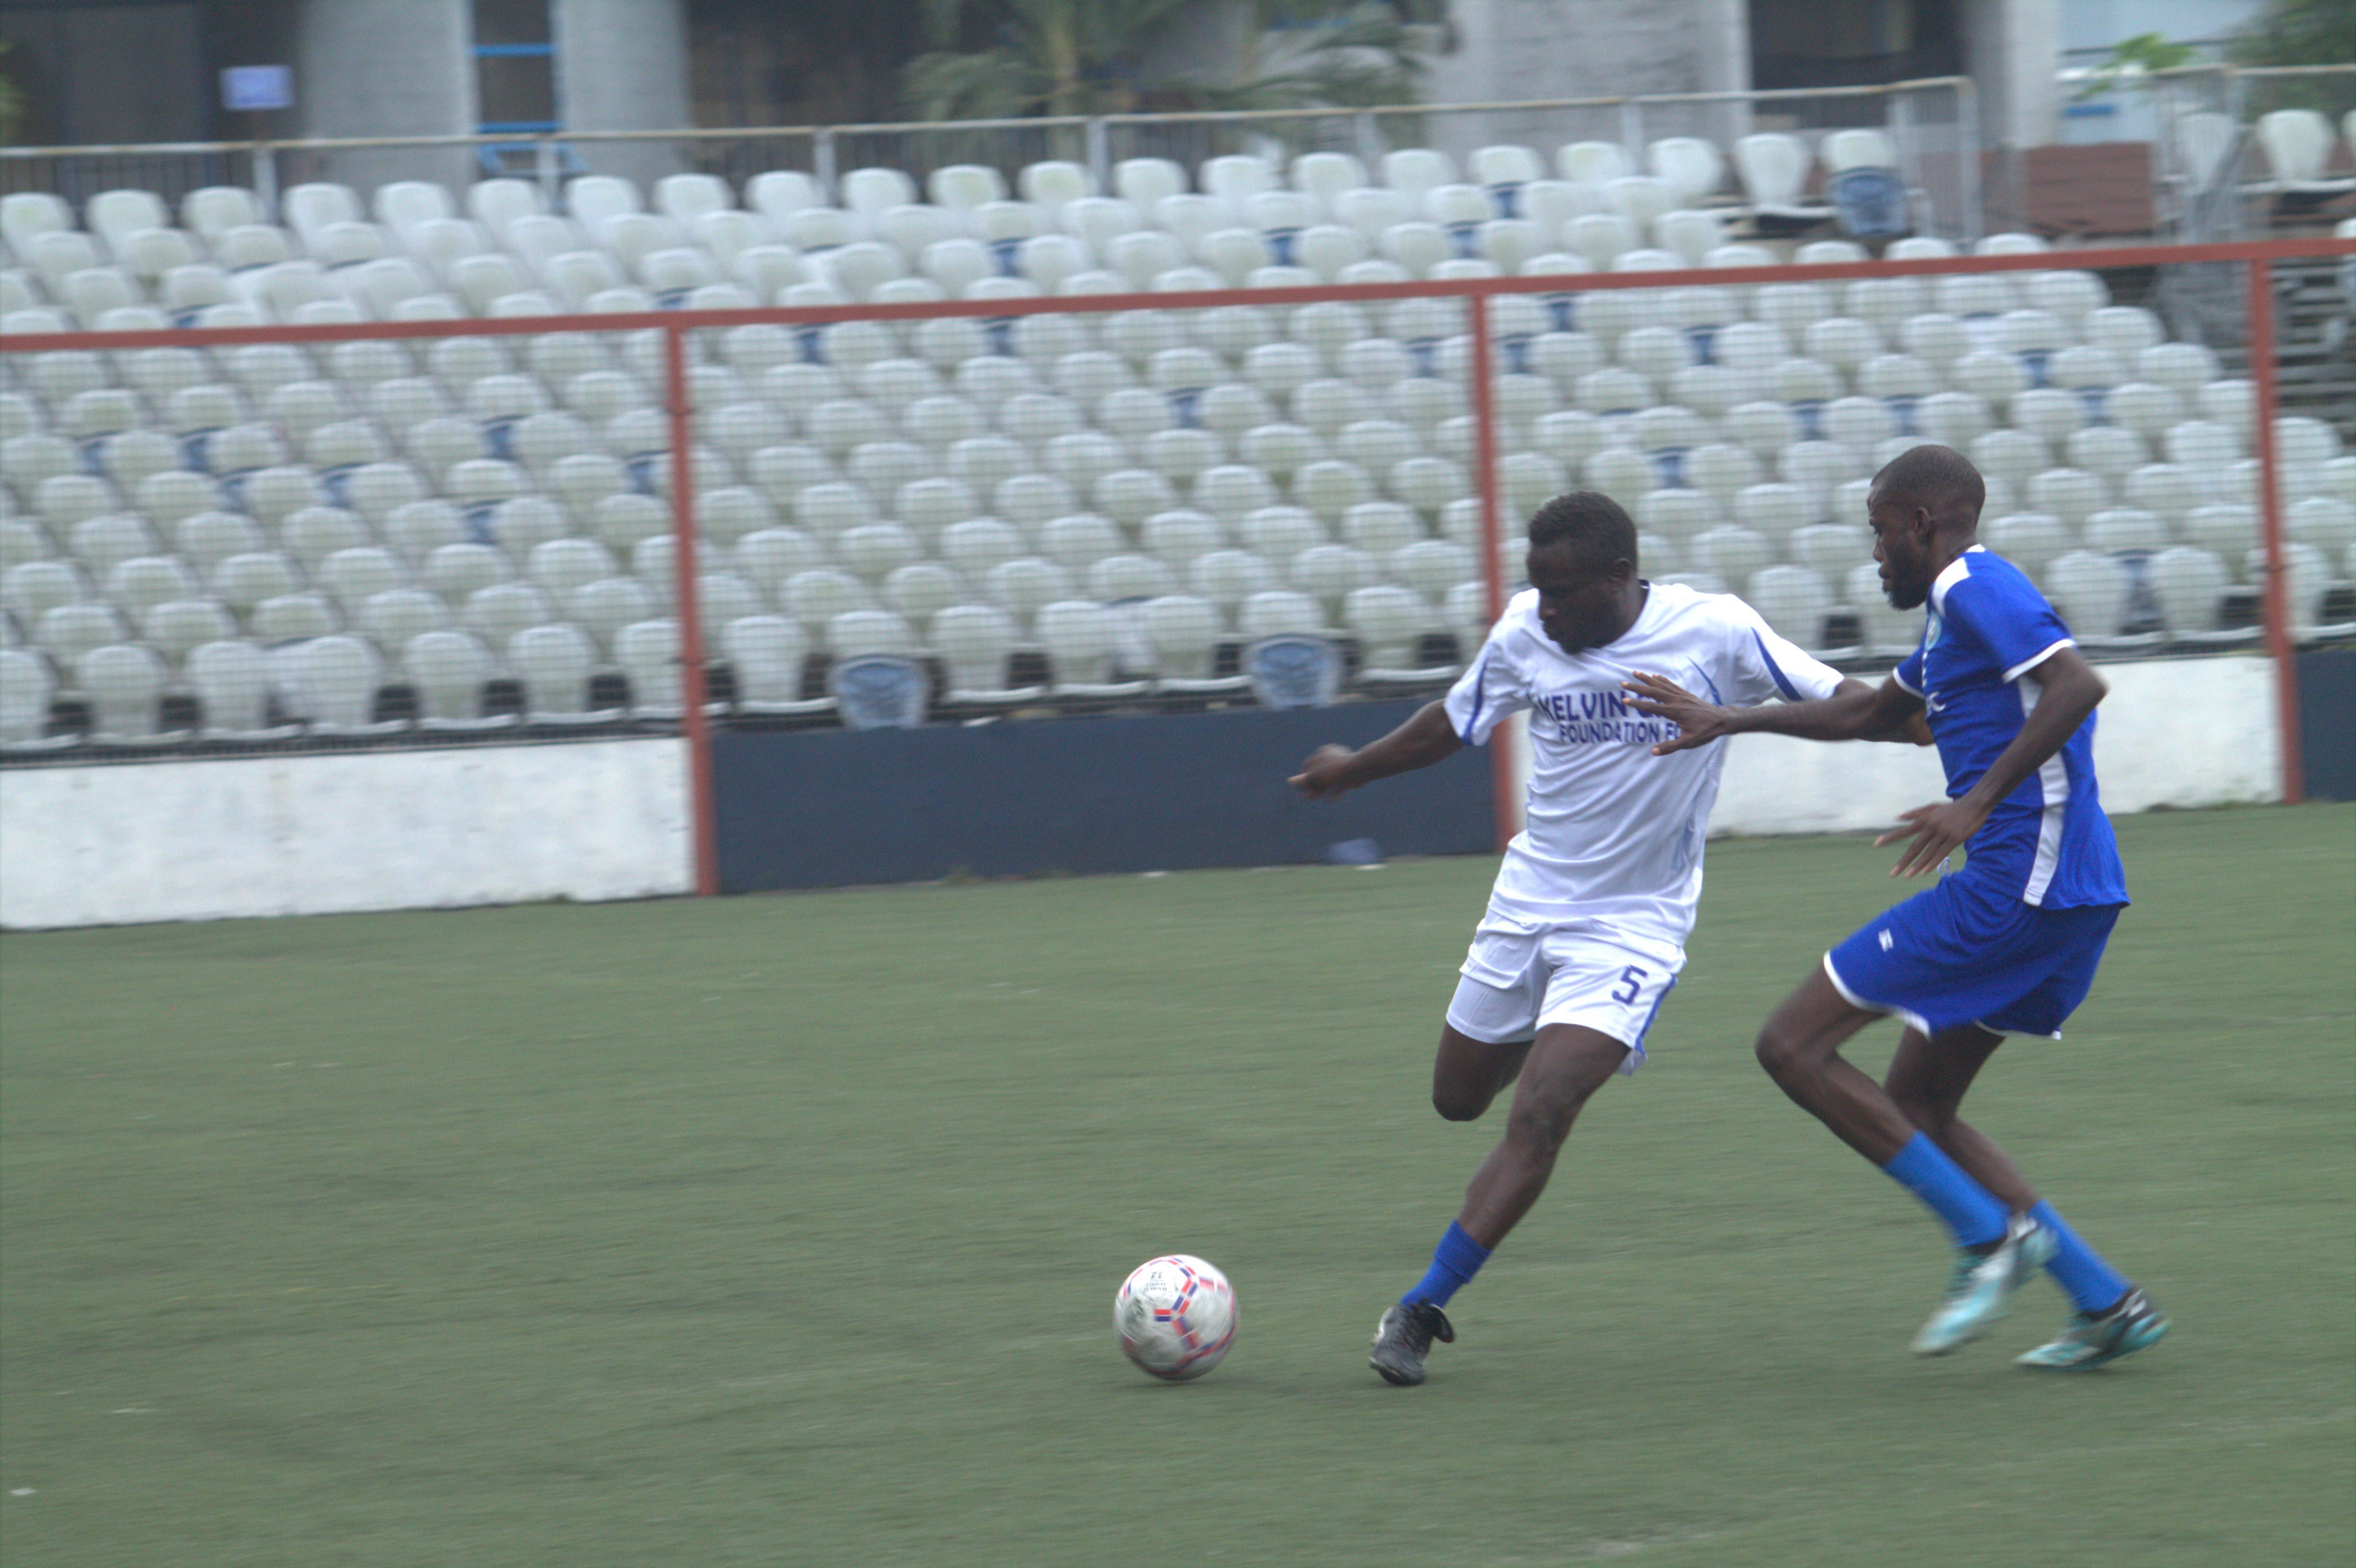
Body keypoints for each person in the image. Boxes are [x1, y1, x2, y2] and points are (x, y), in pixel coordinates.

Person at [1292, 490, 1920, 1386]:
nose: (1545, 610)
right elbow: (1453, 720)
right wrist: (1351, 770)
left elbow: (1845, 700)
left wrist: (1931, 732)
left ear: (1619, 579)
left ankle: (1420, 1309)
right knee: (1456, 1099)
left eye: (1561, 592)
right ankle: (1555, 1029)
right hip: (1526, 903)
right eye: (1537, 590)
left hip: (1634, 925)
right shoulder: (1524, 631)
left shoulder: (1713, 630)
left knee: (1542, 1110)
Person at [1623, 444, 2168, 1369]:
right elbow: (1876, 715)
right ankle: (2104, 1302)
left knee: (1790, 1046)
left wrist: (1975, 802)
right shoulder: (1950, 623)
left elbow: (2078, 683)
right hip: (2071, 894)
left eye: (1879, 533)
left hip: (2016, 887)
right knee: (1918, 1101)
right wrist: (1729, 719)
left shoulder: (1970, 586)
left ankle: (1986, 1240)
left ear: (1921, 523)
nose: (1874, 555)